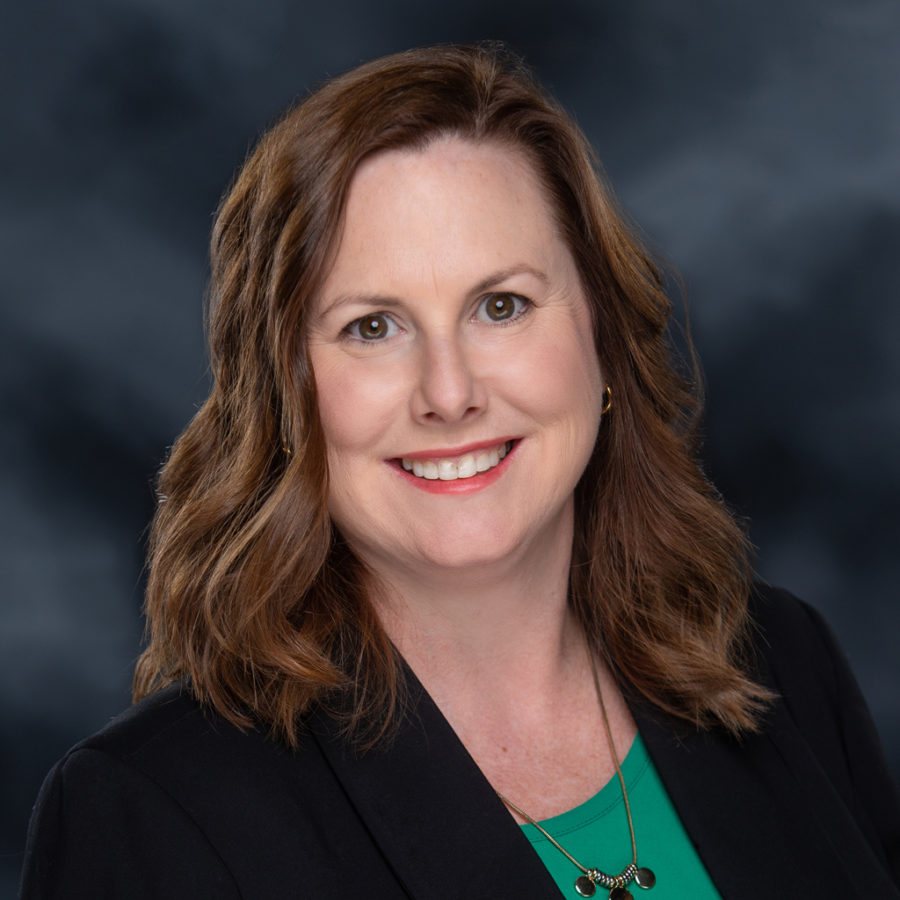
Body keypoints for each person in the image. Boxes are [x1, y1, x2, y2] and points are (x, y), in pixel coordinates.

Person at [20, 44, 900, 900]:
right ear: (285, 393)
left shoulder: (784, 666)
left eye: (501, 306)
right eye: (373, 326)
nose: (450, 393)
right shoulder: (150, 812)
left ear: (600, 342)